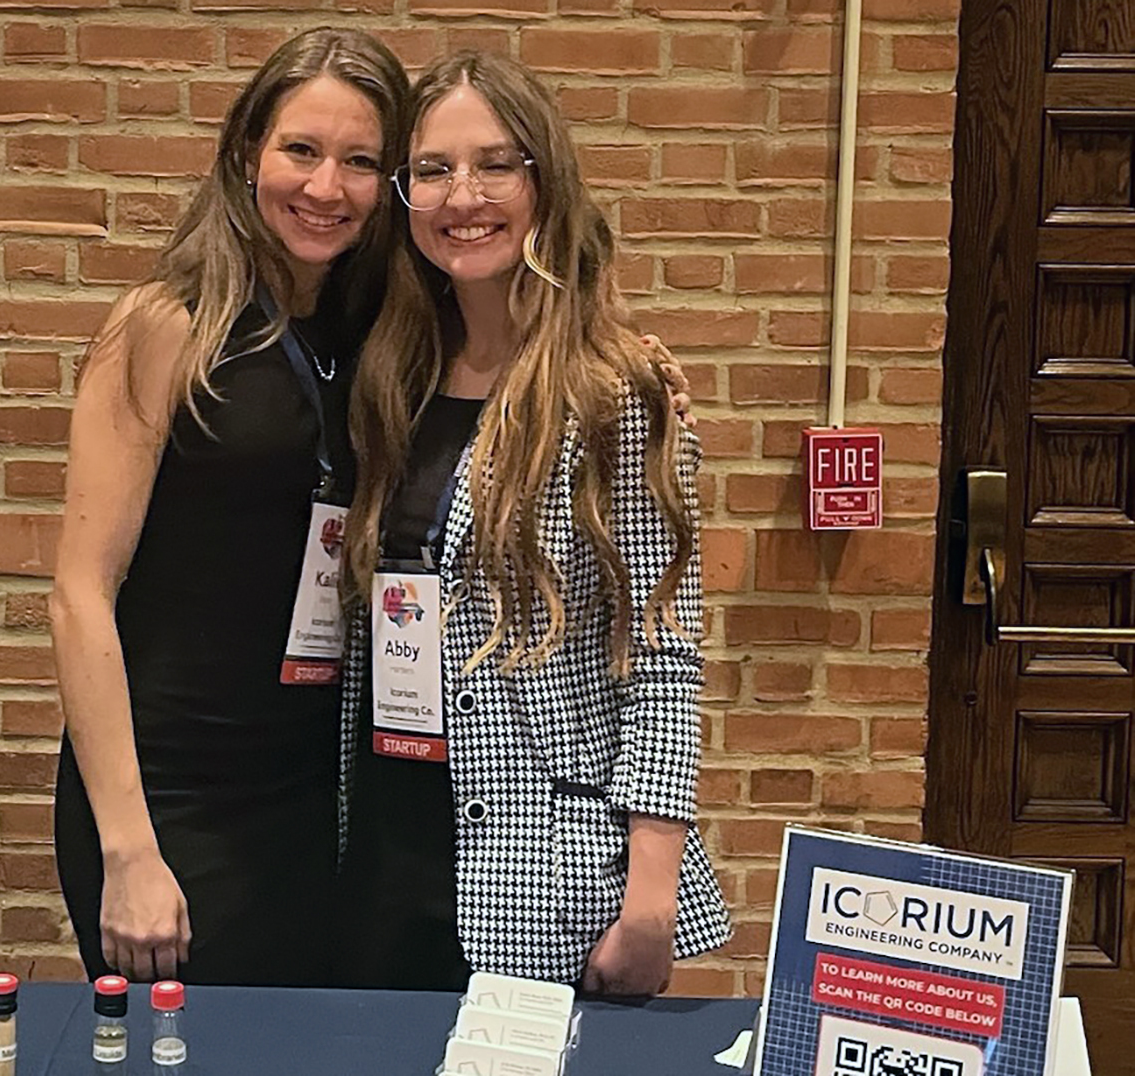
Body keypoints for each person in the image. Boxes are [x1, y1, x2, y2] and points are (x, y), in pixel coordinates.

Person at [338, 51, 731, 995]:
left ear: (543, 183)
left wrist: (650, 902)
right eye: (432, 169)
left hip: (546, 874)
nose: (461, 195)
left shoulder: (613, 393)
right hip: (387, 842)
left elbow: (663, 653)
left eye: (495, 164)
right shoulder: (390, 374)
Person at [50, 28, 411, 987]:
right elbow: (79, 594)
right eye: (301, 150)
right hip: (171, 797)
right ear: (248, 151)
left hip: (313, 797)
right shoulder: (167, 325)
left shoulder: (376, 332)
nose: (326, 187)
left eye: (361, 161)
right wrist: (128, 848)